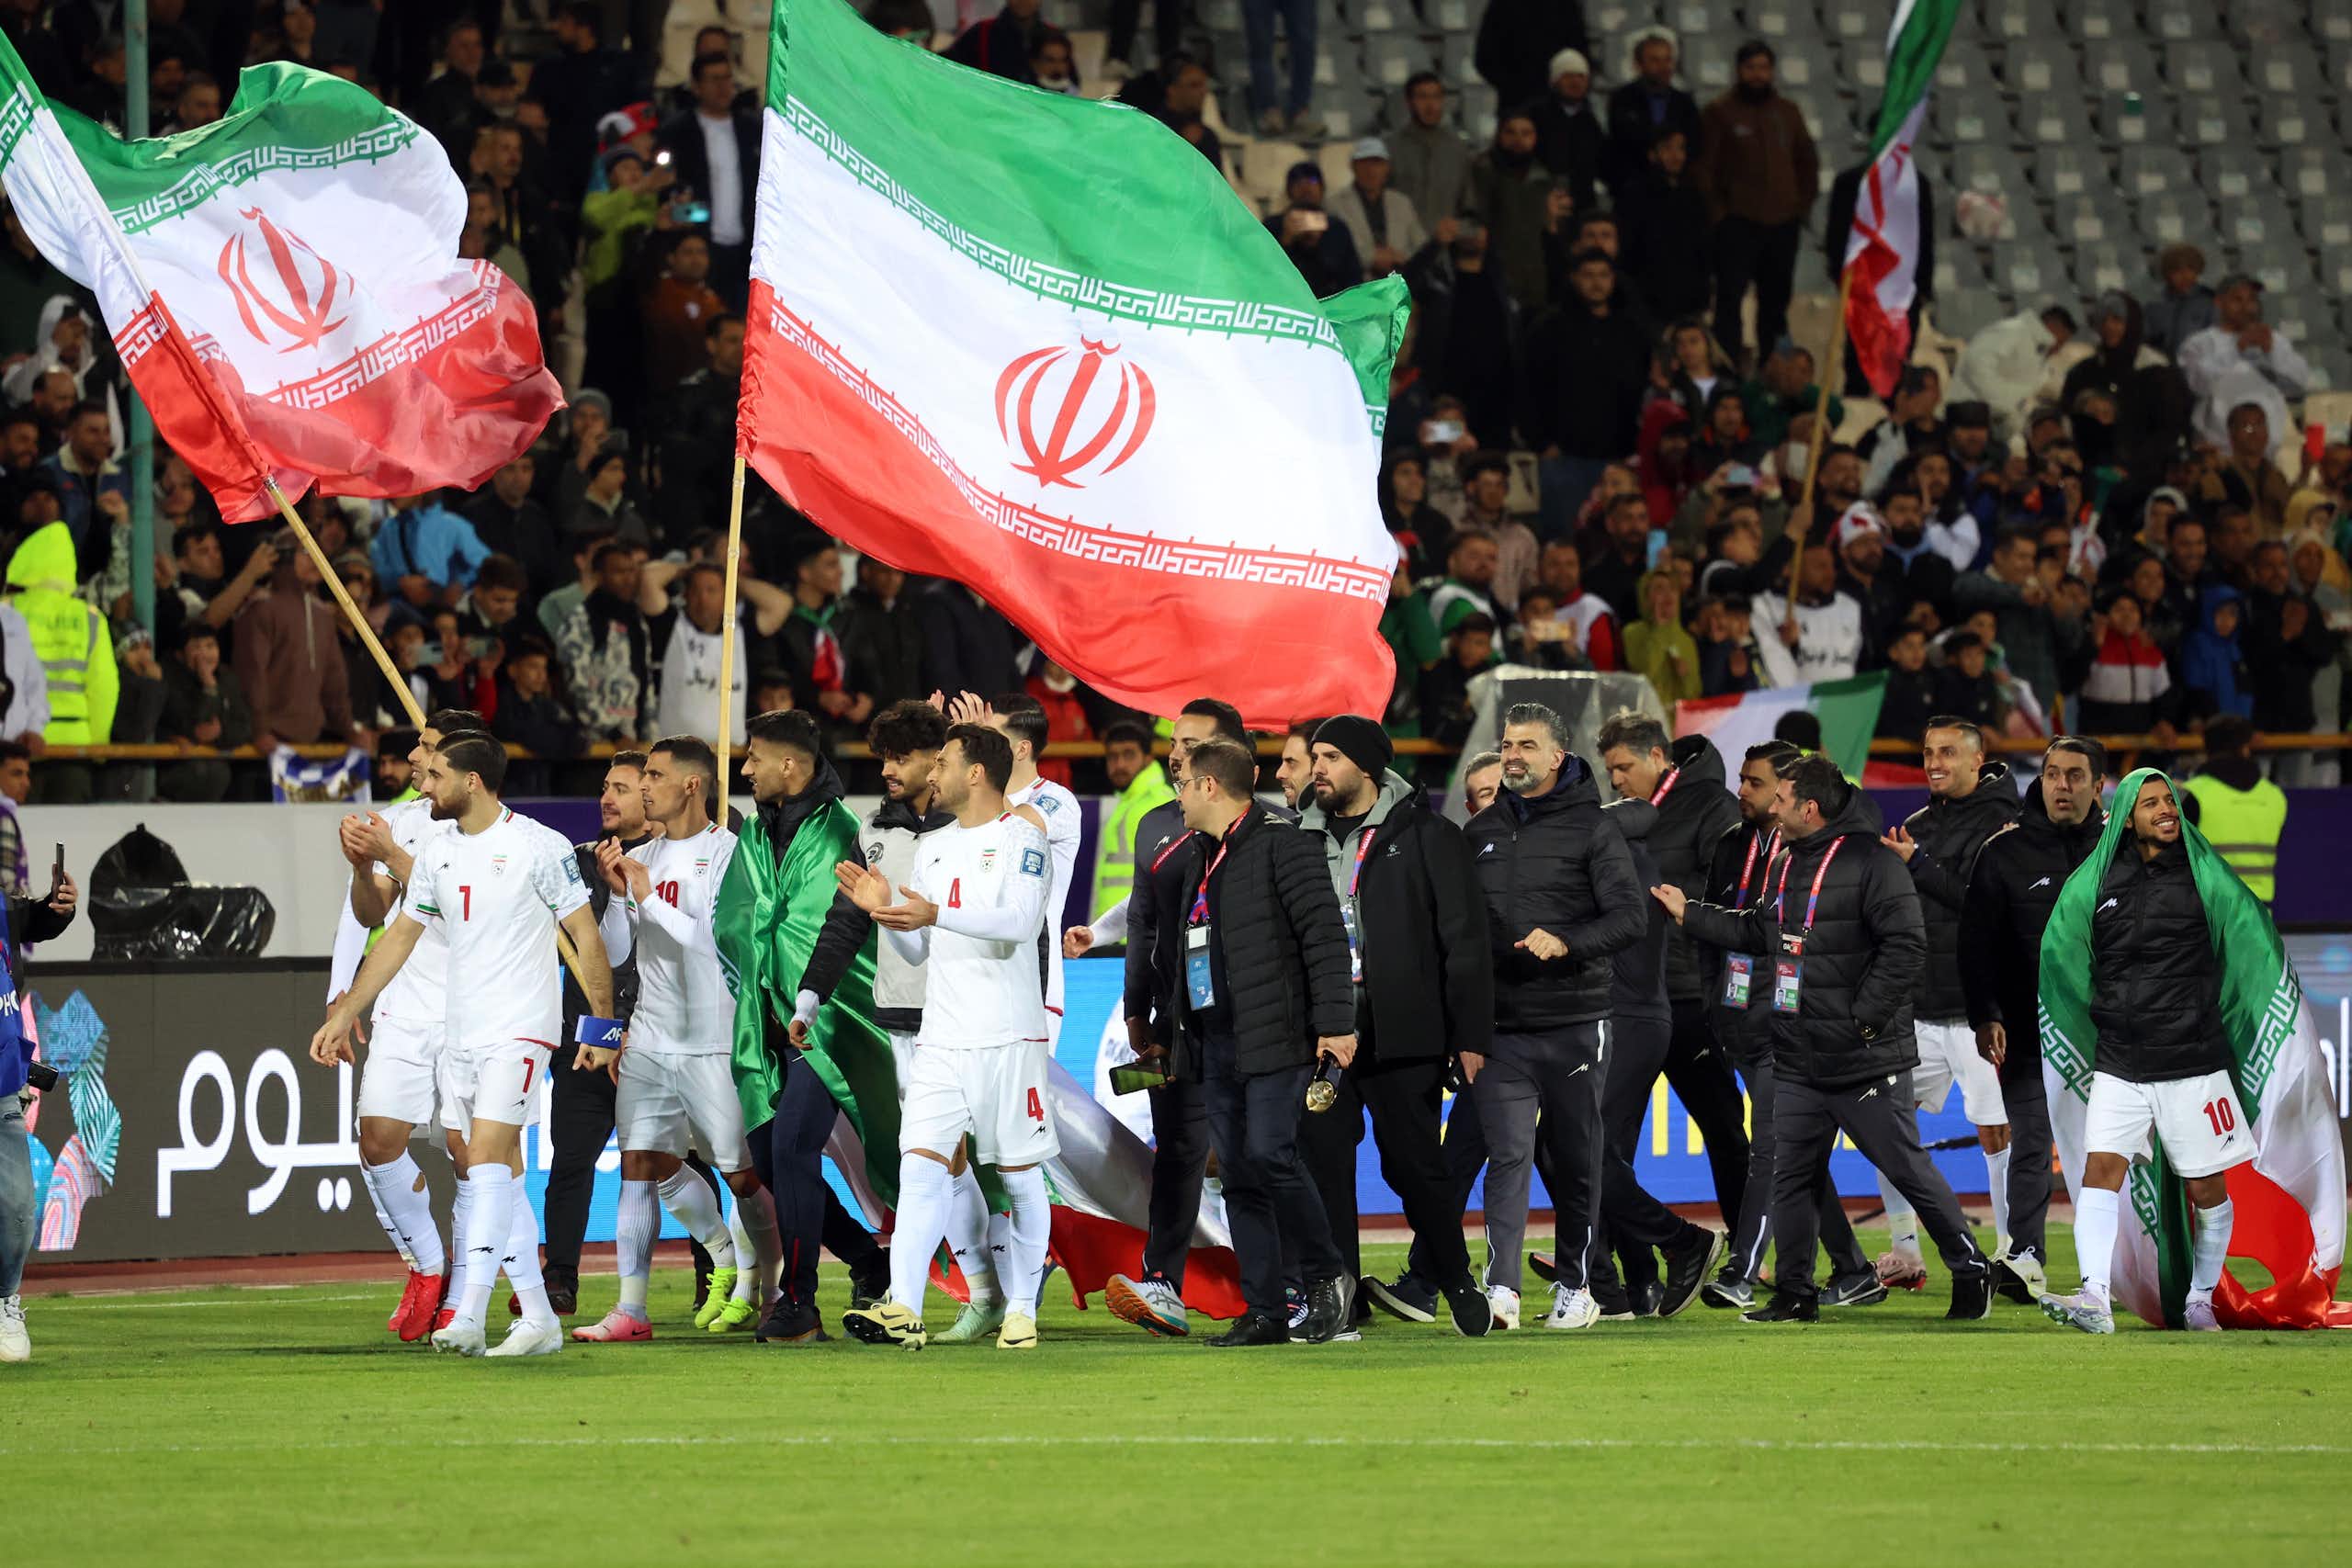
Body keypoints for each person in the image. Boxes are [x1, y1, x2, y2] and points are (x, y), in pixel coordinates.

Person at [1657, 753, 1994, 1323]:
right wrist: (1689, 914)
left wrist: (1863, 1020)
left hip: (1862, 1056)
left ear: (1809, 809)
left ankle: (1970, 1267)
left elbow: (1906, 947)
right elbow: (1757, 931)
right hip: (1797, 1054)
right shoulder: (1788, 863)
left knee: (1908, 1168)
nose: (1774, 805)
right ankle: (1795, 1293)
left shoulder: (1872, 863)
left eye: (1782, 798)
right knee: (1790, 1175)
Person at [311, 732, 616, 1359]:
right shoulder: (436, 852)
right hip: (462, 1031)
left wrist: (602, 1028)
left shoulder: (538, 846)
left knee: (480, 1160)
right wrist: (346, 1009)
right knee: (495, 1171)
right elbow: (395, 938)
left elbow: (585, 936)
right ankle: (537, 1316)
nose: (425, 782)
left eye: (438, 773)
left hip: (522, 1027)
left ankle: (468, 1311)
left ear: (472, 781)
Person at [836, 725, 1057, 1351]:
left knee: (1018, 1176)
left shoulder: (1024, 835)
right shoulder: (933, 847)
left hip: (1008, 1037)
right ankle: (903, 1305)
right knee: (921, 1165)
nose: (934, 775)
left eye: (944, 764)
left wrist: (935, 913)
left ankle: (1020, 1307)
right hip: (941, 1036)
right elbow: (920, 943)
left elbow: (1016, 924)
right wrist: (885, 910)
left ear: (977, 773)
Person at [798, 701, 1001, 1346]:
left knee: (988, 1157)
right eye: (881, 756)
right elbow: (845, 921)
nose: (886, 769)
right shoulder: (874, 830)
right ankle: (987, 1292)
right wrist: (809, 997)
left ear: (936, 760)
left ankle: (1000, 1290)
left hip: (972, 1016)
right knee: (942, 1157)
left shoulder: (974, 830)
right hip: (904, 1022)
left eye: (899, 757)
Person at [573, 738, 786, 1344]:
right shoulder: (646, 856)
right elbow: (619, 953)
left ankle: (770, 1289)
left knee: (742, 1175)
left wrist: (642, 892)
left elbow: (714, 942)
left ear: (692, 784)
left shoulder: (732, 855)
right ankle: (631, 1308)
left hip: (716, 1041)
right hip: (651, 1036)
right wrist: (617, 894)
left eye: (655, 777)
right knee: (638, 1163)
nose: (643, 788)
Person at [1295, 716, 1495, 1337]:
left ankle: (1454, 1275)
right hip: (1323, 1031)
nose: (1317, 767)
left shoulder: (1427, 833)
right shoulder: (1297, 838)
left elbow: (1463, 938)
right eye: (1315, 755)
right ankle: (1340, 1296)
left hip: (1402, 1029)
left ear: (1366, 767)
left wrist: (1470, 1035)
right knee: (1323, 1157)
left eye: (1329, 756)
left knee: (1412, 1166)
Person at [2034, 773, 2250, 1335]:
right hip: (2121, 1059)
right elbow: (2064, 953)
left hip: (2192, 1061)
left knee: (2207, 1188)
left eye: (2169, 802)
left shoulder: (2207, 878)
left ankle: (2201, 1298)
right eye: (2150, 803)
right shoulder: (2096, 880)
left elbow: (2249, 947)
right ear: (2126, 816)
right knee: (2100, 1170)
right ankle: (2095, 1298)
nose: (2164, 810)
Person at [1160, 735, 1354, 1347]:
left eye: (1184, 782)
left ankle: (1327, 1277)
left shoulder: (1283, 847)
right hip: (1216, 1037)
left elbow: (1324, 939)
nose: (1179, 794)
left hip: (1275, 1035)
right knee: (1240, 1175)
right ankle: (1267, 1308)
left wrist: (1336, 1023)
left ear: (1210, 785)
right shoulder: (1198, 854)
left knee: (1272, 1154)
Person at [714, 708, 896, 1340]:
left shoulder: (845, 831)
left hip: (831, 1017)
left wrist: (805, 992)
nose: (745, 768)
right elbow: (737, 915)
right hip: (767, 1016)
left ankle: (798, 1302)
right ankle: (872, 1260)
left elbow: (836, 928)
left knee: (792, 1148)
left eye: (754, 757)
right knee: (770, 1158)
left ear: (790, 765)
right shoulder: (758, 835)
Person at [1464, 703, 1645, 1330]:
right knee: (1507, 1155)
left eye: (1526, 745)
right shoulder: (1480, 831)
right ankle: (1503, 1292)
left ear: (1557, 757)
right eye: (1507, 743)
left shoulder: (1594, 829)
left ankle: (1576, 1284)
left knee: (1576, 1157)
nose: (1512, 755)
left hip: (1575, 1019)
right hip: (1502, 1028)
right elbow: (1461, 937)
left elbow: (1631, 917)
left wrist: (1566, 940)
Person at [1697, 741, 1879, 1309]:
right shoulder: (1732, 844)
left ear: (1790, 795)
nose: (1743, 793)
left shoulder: (1825, 850)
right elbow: (1721, 931)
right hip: (1741, 1021)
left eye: (1756, 784)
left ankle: (1742, 1272)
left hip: (1792, 1022)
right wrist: (1718, 1009)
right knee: (1794, 1153)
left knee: (1772, 1152)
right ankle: (1853, 1269)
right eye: (1744, 781)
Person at [322, 710, 480, 1339]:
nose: (416, 758)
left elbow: (468, 900)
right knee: (377, 1136)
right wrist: (365, 866)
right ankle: (429, 1265)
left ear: (466, 770)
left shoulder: (498, 831)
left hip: (474, 1008)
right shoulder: (404, 820)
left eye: (430, 749)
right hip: (407, 1002)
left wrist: (391, 854)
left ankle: (467, 1290)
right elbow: (372, 911)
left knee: (473, 1157)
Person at [1094, 697, 1244, 1337]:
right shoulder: (1157, 824)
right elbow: (1142, 924)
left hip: (1247, 1020)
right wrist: (1137, 1010)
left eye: (1191, 740)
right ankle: (1164, 1282)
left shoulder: (1262, 828)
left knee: (1253, 1154)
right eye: (1175, 739)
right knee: (1179, 1152)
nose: (1175, 749)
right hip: (1175, 1019)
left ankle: (1298, 1279)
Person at [1595, 714, 1750, 1254]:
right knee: (1611, 1140)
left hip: (1689, 997)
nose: (1616, 780)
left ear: (1658, 758)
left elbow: (1732, 895)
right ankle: (1605, 1261)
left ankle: (1745, 1253)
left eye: (1624, 767)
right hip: (1632, 997)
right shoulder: (1616, 819)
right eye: (1610, 770)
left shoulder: (1711, 806)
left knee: (1726, 1131)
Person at [1873, 719, 2020, 1289]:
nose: (1935, 762)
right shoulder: (1915, 826)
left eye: (1949, 753)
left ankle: (2011, 1254)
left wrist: (1917, 866)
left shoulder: (2008, 827)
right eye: (1928, 752)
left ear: (1978, 759)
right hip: (1919, 1008)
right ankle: (1906, 1251)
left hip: (1982, 1011)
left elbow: (1985, 908)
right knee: (1887, 1123)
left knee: (1997, 1131)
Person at [1960, 737, 2106, 1304]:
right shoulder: (2003, 853)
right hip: (2026, 1029)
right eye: (2051, 774)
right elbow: (1977, 944)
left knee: (2116, 1149)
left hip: (2107, 1033)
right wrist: (1985, 1015)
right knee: (2032, 1140)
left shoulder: (2122, 851)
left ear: (2098, 786)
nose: (2061, 786)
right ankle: (2025, 1258)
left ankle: (2120, 1267)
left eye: (2074, 775)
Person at [0, 841, 75, 1363]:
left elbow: (32, 919)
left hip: (4, 1079)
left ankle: (5, 1301)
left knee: (19, 1208)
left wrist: (56, 907)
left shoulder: (1, 907)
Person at [1695, 41, 1815, 364]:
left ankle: (1771, 370)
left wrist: (1799, 206)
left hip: (1782, 224)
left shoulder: (1788, 113)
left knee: (1775, 304)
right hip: (1737, 224)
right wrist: (1720, 215)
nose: (1757, 75)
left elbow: (1806, 161)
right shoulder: (1719, 112)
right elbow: (1705, 169)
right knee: (1730, 300)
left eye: (1763, 67)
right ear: (1738, 71)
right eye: (1751, 68)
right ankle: (1726, 369)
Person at [654, 52, 761, 306]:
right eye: (714, 79)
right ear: (696, 86)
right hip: (699, 243)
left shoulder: (752, 128)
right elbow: (664, 185)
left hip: (747, 246)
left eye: (727, 79)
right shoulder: (677, 131)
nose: (723, 87)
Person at [2177, 274, 2308, 455]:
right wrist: (2236, 348)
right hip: (2218, 450)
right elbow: (2197, 385)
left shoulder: (2274, 341)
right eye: (2237, 300)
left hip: (2268, 452)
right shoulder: (2199, 343)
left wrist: (2272, 352)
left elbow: (2299, 385)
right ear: (2219, 302)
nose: (2246, 307)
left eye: (2252, 300)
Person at [2177, 716, 2287, 905]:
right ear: (2245, 747)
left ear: (2207, 748)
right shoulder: (2275, 796)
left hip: (2209, 917)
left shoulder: (2192, 795)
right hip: (2259, 919)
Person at [1089, 719, 1175, 920]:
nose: (1120, 765)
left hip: (1140, 932)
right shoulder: (1129, 802)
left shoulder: (1158, 802)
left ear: (1148, 758)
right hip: (1121, 929)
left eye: (1128, 755)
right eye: (1113, 757)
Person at [1326, 137, 1429, 279]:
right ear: (1353, 166)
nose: (1371, 170)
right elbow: (1334, 249)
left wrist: (1399, 257)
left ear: (1387, 167)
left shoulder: (1401, 202)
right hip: (1357, 282)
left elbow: (1420, 244)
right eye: (1364, 163)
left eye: (1377, 163)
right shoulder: (1334, 204)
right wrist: (1371, 257)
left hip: (1400, 281)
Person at [1390, 72, 1473, 234]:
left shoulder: (1458, 149)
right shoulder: (1389, 148)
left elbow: (1469, 209)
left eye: (1436, 97)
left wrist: (1459, 229)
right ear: (1409, 102)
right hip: (1401, 249)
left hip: (1445, 249)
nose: (1431, 105)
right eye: (1422, 97)